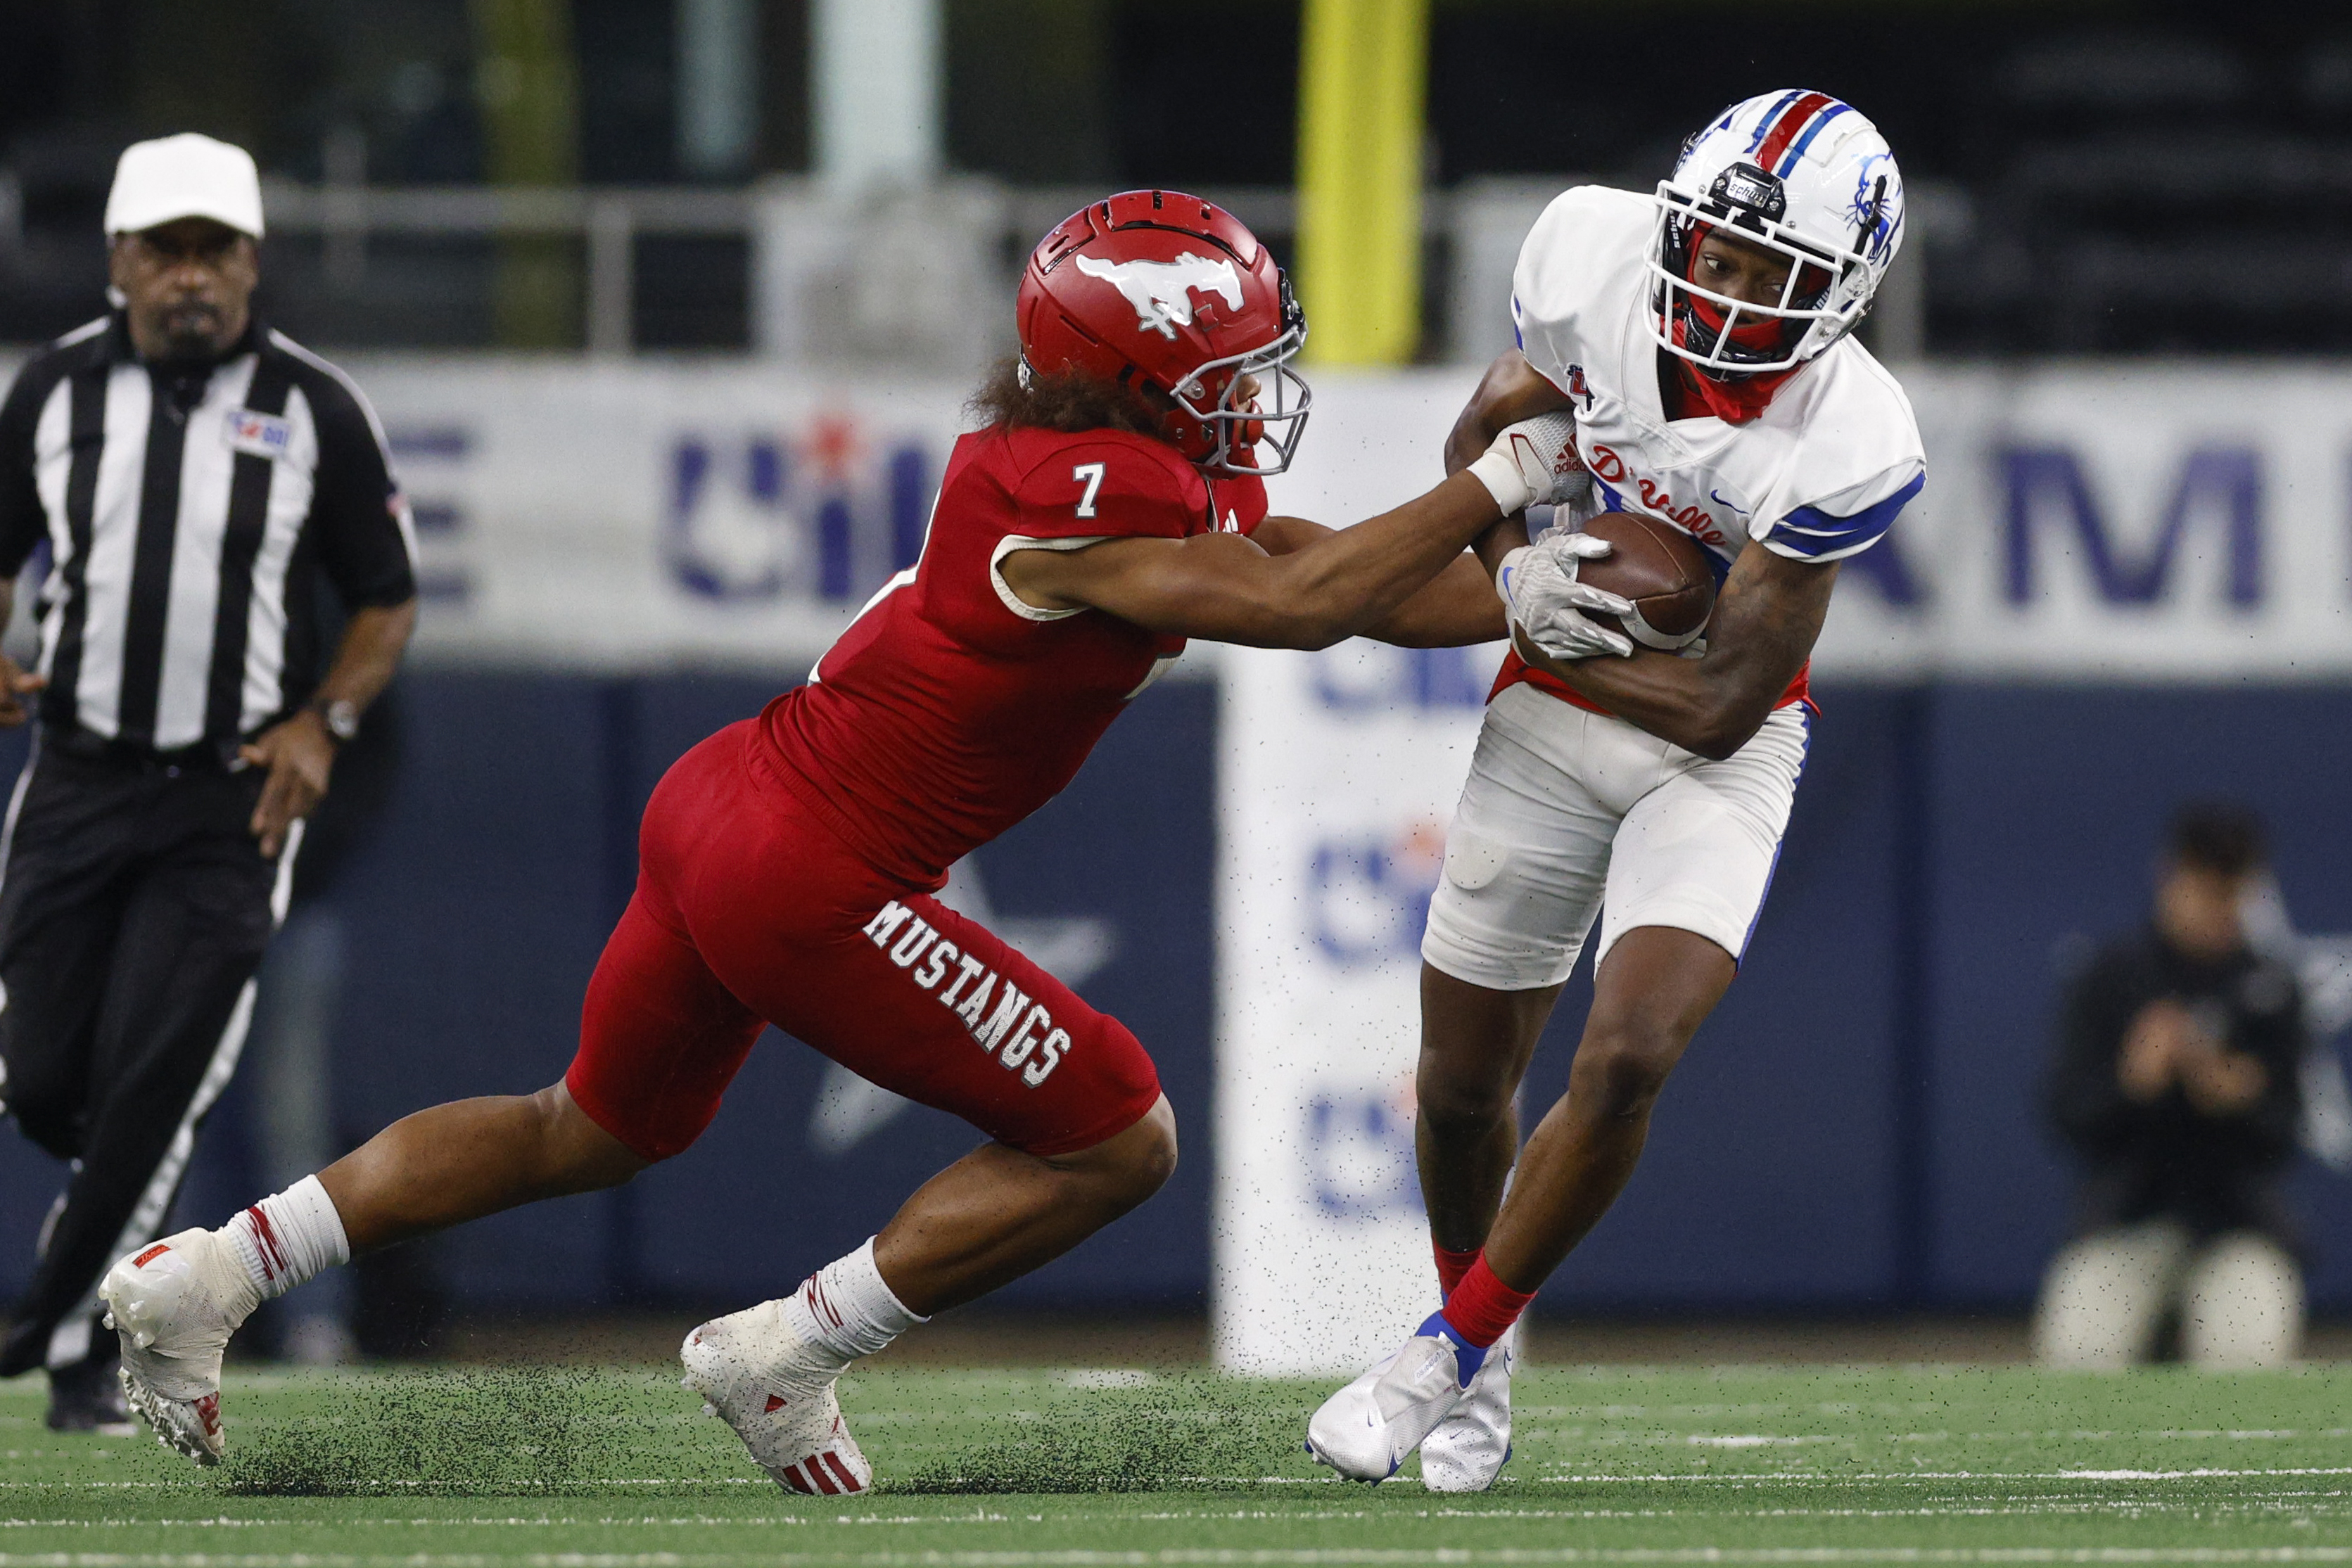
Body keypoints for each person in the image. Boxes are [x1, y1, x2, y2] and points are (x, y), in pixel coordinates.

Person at [97, 189, 1579, 1492]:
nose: (1260, 390)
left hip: (732, 800)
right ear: (1141, 376)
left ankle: (214, 1269)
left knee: (591, 1125)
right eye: (1226, 366)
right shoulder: (1073, 491)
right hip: (814, 864)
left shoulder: (1096, 449)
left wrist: (1535, 594)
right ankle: (788, 1350)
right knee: (1118, 1133)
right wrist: (1505, 486)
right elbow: (1300, 608)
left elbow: (1311, 566)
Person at [1307, 91, 1926, 1488]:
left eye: (1770, 274)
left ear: (1842, 295)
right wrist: (1515, 552)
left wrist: (1537, 621)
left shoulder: (1849, 432)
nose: (1721, 285)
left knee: (1631, 1050)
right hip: (1554, 714)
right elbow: (1489, 422)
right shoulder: (1590, 258)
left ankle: (1440, 1355)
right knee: (1461, 1090)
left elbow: (1718, 700)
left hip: (1725, 735)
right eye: (1709, 247)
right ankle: (1484, 1359)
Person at [0, 133, 417, 1432]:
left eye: (215, 251)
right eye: (165, 251)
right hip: (74, 781)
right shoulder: (52, 394)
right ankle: (82, 1312)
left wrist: (324, 719)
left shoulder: (314, 407)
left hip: (224, 801)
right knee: (43, 1076)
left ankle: (74, 1348)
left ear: (251, 261)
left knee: (156, 1083)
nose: (192, 278)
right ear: (119, 260)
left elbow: (386, 598)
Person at [2033, 803, 2306, 1370]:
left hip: (2236, 1222)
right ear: (2171, 876)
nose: (2216, 909)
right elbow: (2065, 1116)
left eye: (2230, 893)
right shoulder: (2112, 976)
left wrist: (2241, 1098)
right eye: (2204, 889)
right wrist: (2131, 1083)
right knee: (2079, 1351)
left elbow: (2285, 1133)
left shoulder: (2270, 986)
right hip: (2126, 1217)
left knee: (2248, 1354)